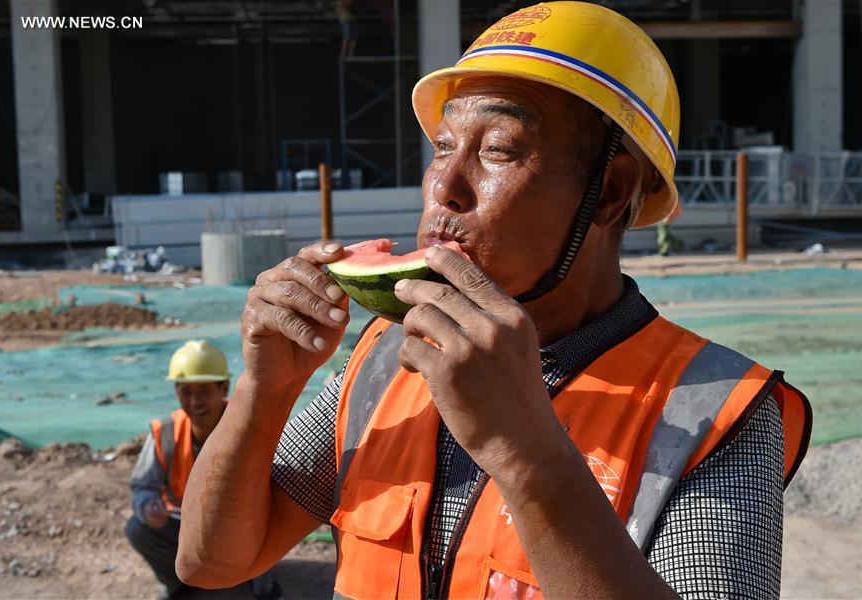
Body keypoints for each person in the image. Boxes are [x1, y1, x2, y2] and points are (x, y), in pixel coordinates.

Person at [176, 3, 812, 598]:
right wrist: (265, 391)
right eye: (444, 148)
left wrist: (527, 453)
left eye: (498, 150)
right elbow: (212, 562)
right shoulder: (381, 360)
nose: (444, 188)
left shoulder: (717, 413)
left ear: (612, 191)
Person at [125, 340, 282, 600]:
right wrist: (149, 507)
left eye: (204, 392)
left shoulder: (250, 427)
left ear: (224, 388)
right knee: (138, 529)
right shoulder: (165, 434)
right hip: (181, 525)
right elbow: (143, 487)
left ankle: (262, 588)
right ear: (176, 391)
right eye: (186, 392)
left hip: (240, 525)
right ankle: (178, 585)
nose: (195, 402)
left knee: (265, 525)